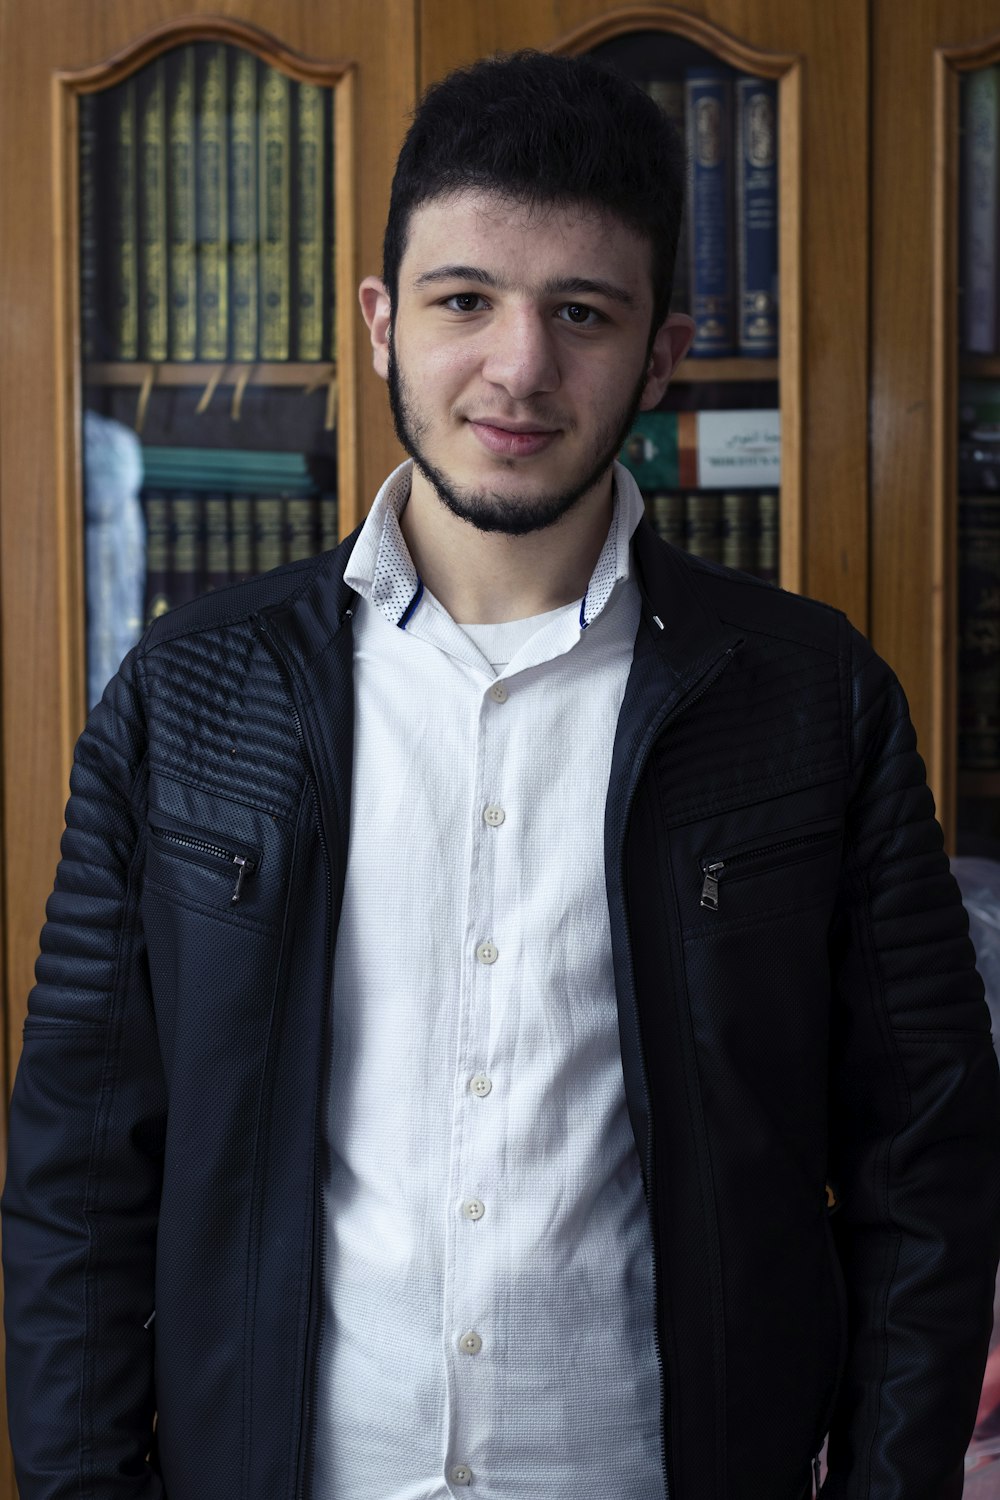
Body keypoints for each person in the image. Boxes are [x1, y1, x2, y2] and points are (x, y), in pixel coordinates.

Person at [3, 47, 999, 1500]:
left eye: (581, 314)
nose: (519, 368)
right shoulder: (187, 693)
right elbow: (78, 1179)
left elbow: (926, 1163)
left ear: (661, 350)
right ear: (382, 324)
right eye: (464, 300)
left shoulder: (809, 698)